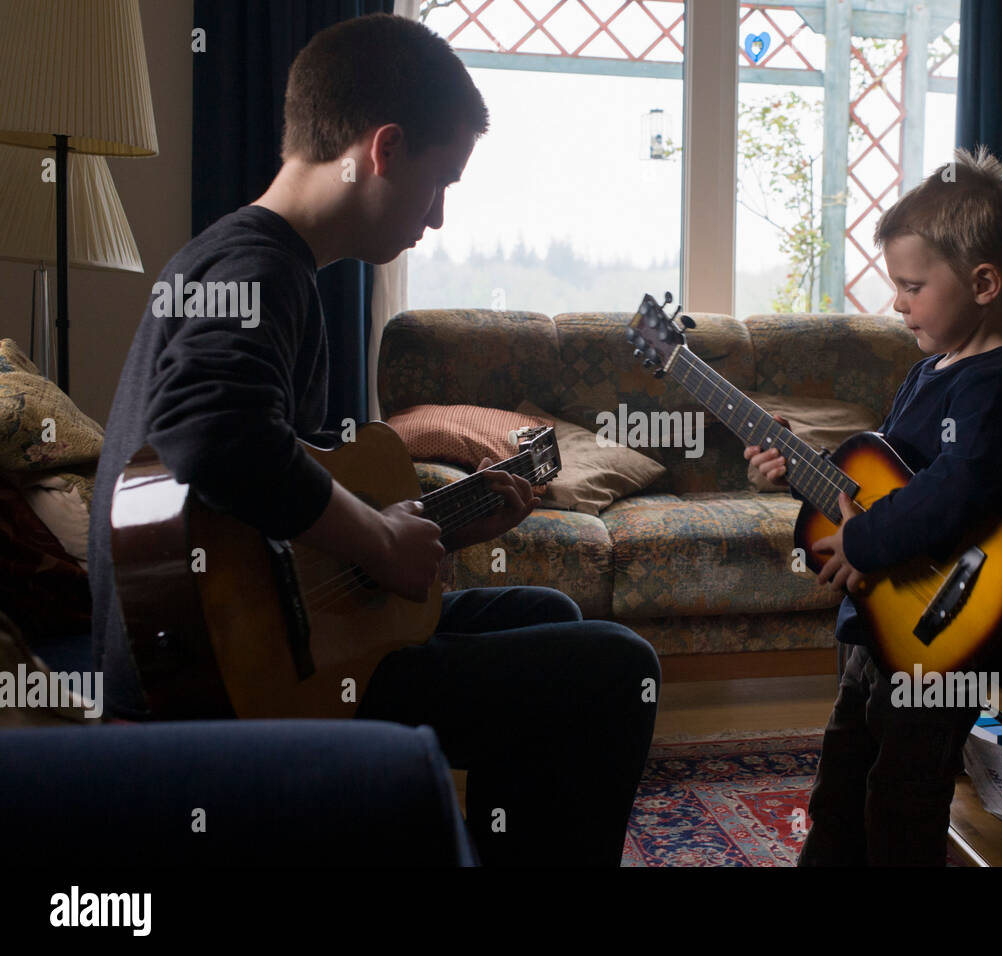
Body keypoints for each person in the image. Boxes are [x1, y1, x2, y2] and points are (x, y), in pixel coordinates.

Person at [88, 13, 659, 867]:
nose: (436, 220)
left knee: (544, 612)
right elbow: (211, 430)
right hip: (226, 678)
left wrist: (433, 524)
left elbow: (277, 495)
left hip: (248, 638)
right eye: (441, 184)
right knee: (615, 667)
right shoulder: (259, 266)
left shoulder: (257, 263)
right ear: (384, 149)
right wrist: (378, 538)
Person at [745, 145, 1002, 865]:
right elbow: (884, 487)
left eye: (911, 286)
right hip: (877, 626)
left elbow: (957, 486)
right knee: (842, 780)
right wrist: (793, 473)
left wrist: (868, 544)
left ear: (983, 282)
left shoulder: (993, 384)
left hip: (945, 634)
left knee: (903, 796)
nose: (897, 303)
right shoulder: (927, 374)